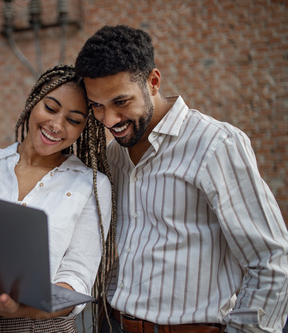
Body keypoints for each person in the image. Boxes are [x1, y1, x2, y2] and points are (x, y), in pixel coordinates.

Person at [75, 24, 288, 333]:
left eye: (121, 102)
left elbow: (272, 260)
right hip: (115, 324)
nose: (109, 120)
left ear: (153, 82)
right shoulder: (114, 156)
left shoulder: (215, 144)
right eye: (97, 106)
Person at [0, 64, 117, 332]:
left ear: (84, 128)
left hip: (42, 325)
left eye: (73, 120)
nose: (56, 125)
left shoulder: (91, 185)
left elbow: (75, 278)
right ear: (33, 102)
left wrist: (18, 309)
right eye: (50, 108)